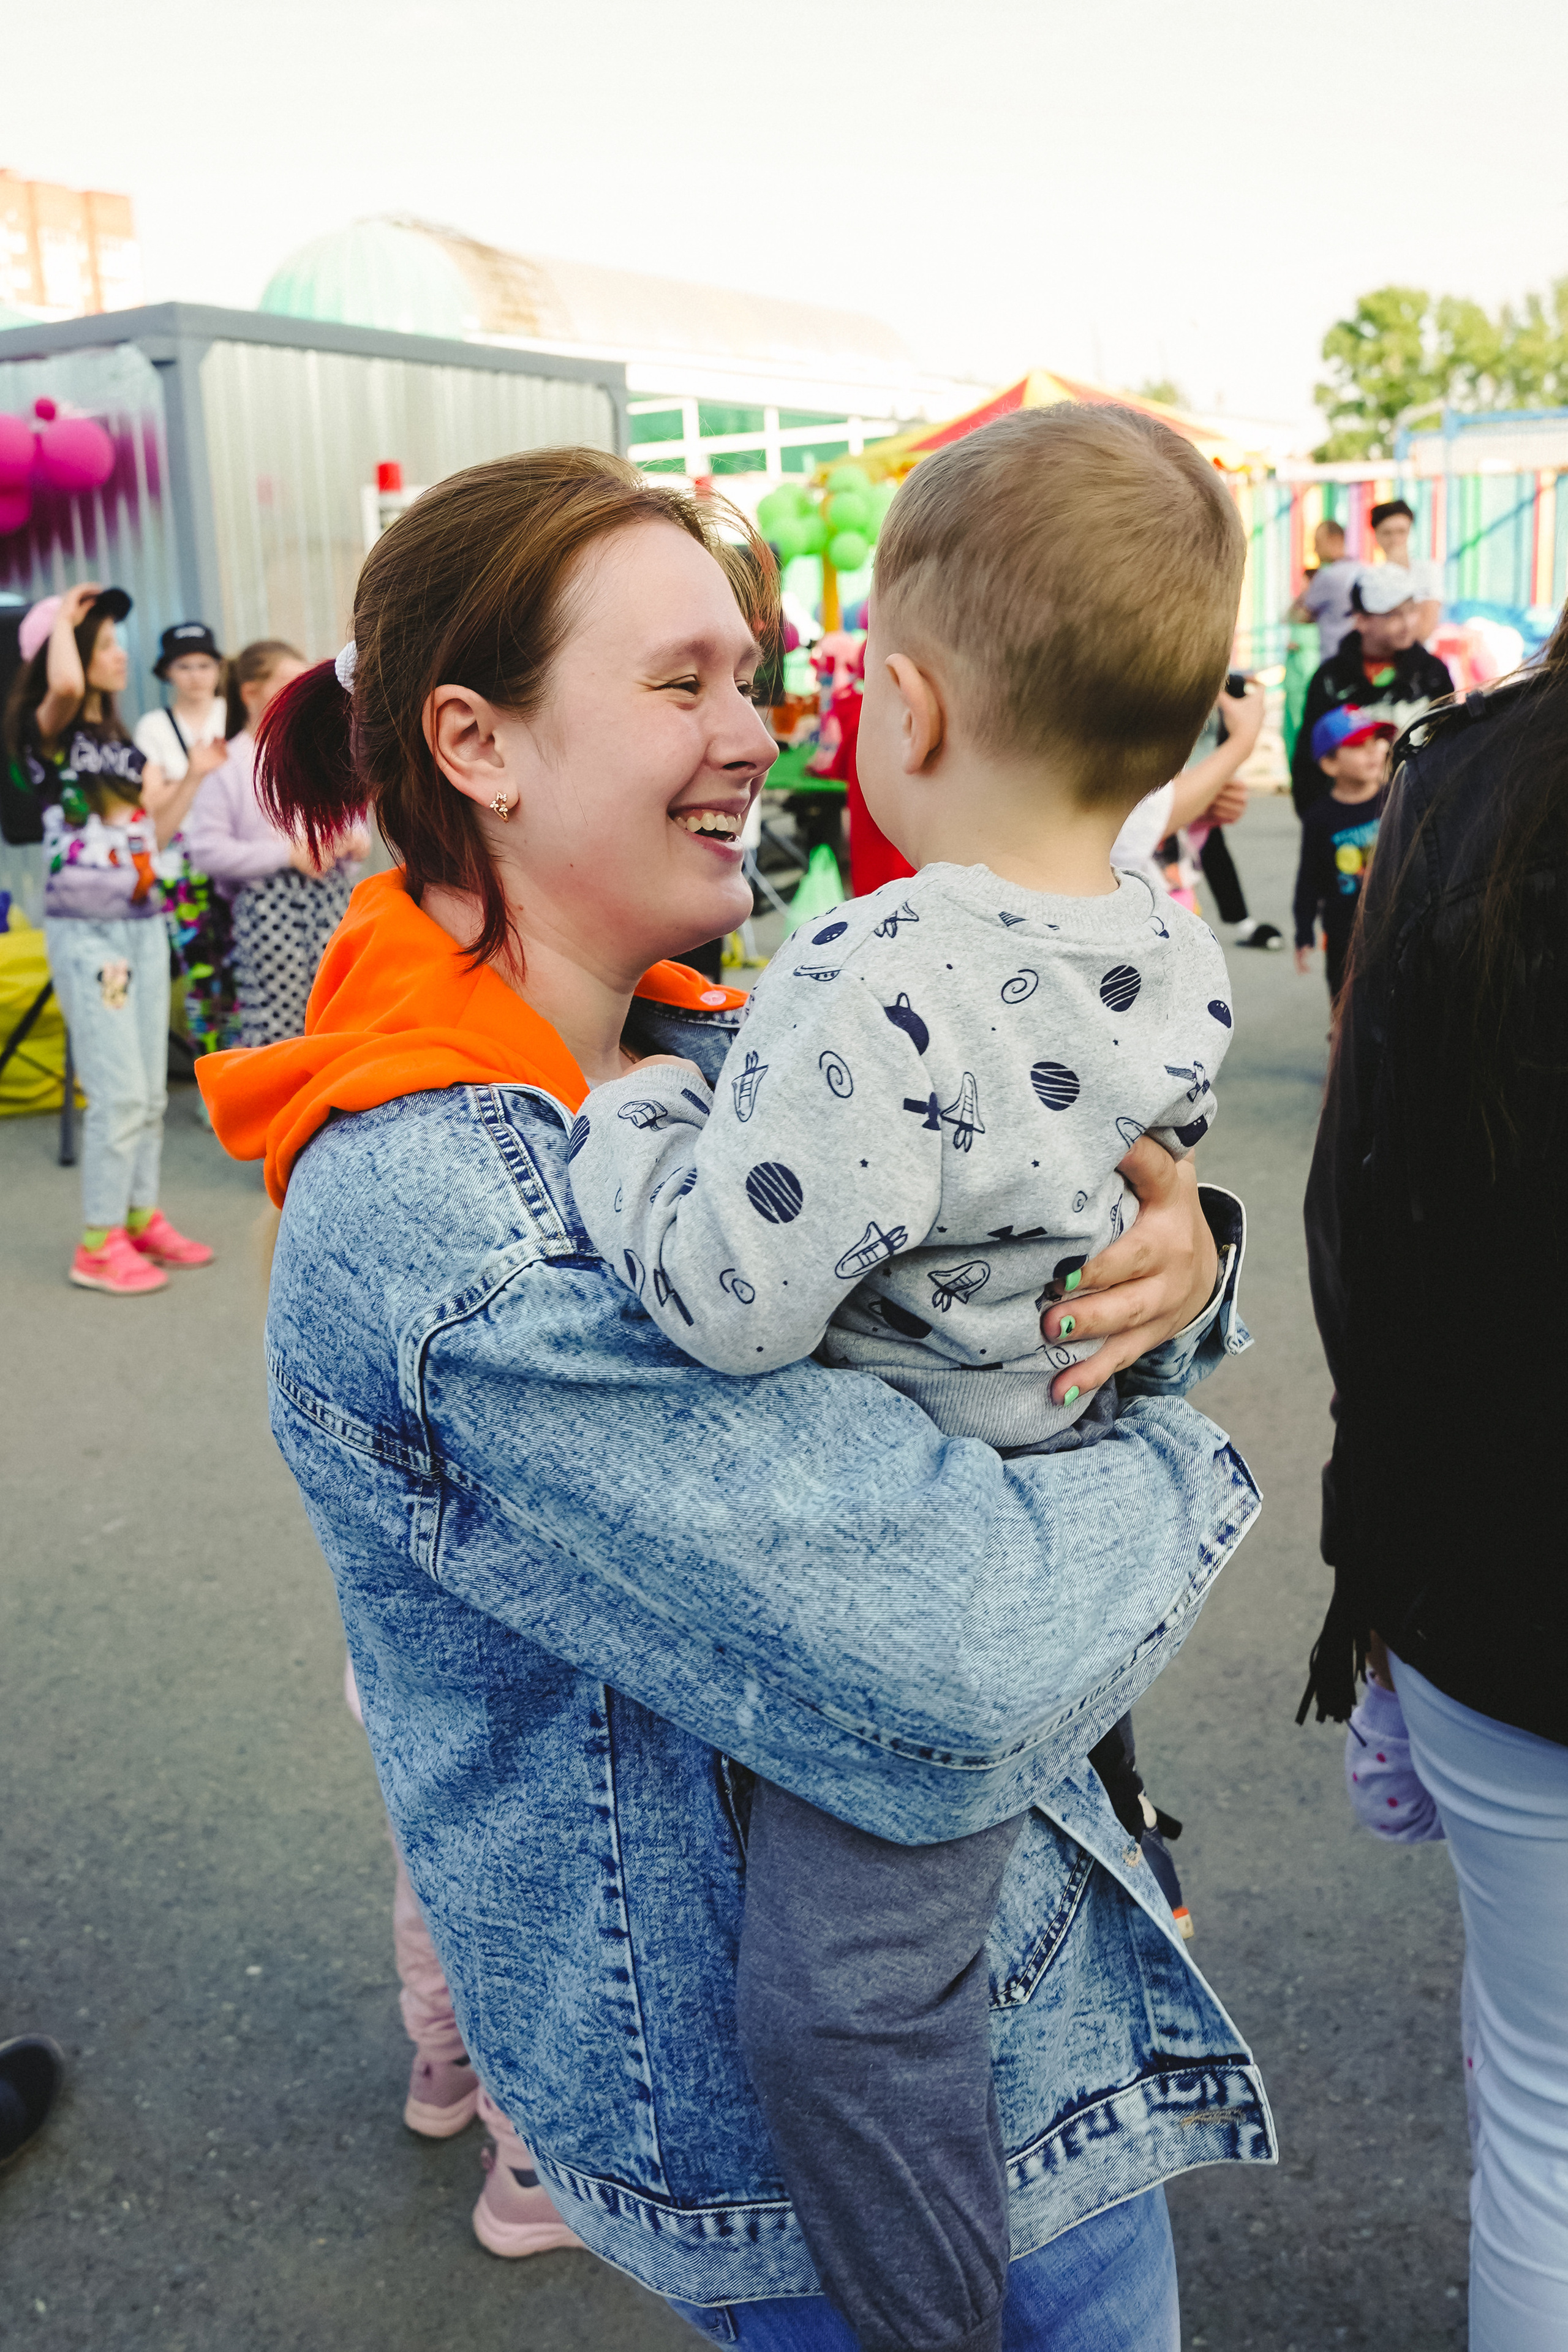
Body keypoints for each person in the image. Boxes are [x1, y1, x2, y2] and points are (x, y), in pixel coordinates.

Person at [198, 448, 1272, 2348]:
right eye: (682, 679)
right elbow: (967, 1633)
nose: (754, 729)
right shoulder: (445, 1200)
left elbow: (1011, 1283)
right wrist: (1185, 1453)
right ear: (478, 741)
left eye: (758, 671)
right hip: (863, 2155)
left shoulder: (716, 1037)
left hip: (1019, 2024)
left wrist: (1173, 1271)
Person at [565, 405, 1253, 2352]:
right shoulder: (1166, 944)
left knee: (843, 2005)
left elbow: (729, 1294)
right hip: (1067, 1466)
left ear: (917, 707)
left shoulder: (879, 967)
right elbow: (1110, 1190)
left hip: (917, 1574)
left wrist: (629, 1124)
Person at [1300, 638, 1568, 2349]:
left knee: (1546, 2114)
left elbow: (1366, 1219)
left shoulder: (1468, 779)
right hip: (1486, 1574)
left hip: (1496, 1570)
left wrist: (1374, 1563)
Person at [1, 584, 213, 1294]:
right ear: (67, 652)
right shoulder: (47, 728)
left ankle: (139, 1215)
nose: (121, 655)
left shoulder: (121, 744)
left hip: (143, 924)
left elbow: (153, 831)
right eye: (106, 643)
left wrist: (196, 778)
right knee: (119, 1091)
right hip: (93, 940)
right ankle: (97, 1243)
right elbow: (61, 679)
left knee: (149, 1093)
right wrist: (63, 615)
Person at [183, 641, 367, 1047]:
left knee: (341, 1019)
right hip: (269, 912)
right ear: (250, 693)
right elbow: (206, 850)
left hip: (332, 900)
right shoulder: (228, 763)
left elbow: (351, 815)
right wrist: (286, 854)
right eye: (288, 680)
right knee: (280, 1029)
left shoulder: (316, 750)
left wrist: (353, 839)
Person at [134, 622, 239, 1055]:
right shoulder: (154, 727)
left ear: (218, 669)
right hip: (183, 871)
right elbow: (150, 805)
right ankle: (214, 1078)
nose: (196, 675)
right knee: (202, 976)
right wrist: (195, 773)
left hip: (236, 860)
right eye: (185, 666)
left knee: (248, 971)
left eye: (204, 664)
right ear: (168, 673)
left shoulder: (232, 715)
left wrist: (178, 780)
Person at [1290, 565, 1454, 816]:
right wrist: (1319, 820)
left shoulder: (1433, 674)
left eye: (1410, 609)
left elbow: (1452, 746)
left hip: (1421, 815)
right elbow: (1309, 758)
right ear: (1361, 620)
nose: (1406, 623)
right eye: (1392, 614)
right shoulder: (1331, 680)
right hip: (1351, 824)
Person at [1291, 706, 1394, 1000]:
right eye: (1359, 745)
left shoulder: (1398, 798)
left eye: (1377, 740)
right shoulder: (1319, 818)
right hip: (1344, 934)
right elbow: (1309, 878)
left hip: (1396, 923)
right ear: (1330, 763)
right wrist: (1303, 932)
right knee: (1346, 1001)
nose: (1375, 751)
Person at [1286, 518, 1360, 661]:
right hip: (1359, 659)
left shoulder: (1327, 576)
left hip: (1335, 659)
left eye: (1317, 543)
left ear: (1334, 540)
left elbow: (1298, 617)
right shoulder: (1362, 570)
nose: (1315, 550)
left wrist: (1306, 592)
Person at [1369, 499, 1442, 639]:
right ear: (1376, 536)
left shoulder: (1429, 571)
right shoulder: (1370, 578)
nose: (1395, 539)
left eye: (1401, 532)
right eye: (1387, 533)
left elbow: (1425, 628)